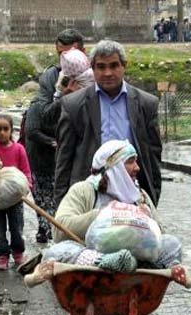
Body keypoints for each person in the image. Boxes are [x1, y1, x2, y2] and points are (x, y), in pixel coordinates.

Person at [53, 140, 186, 315]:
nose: (137, 168)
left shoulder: (139, 196)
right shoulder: (84, 190)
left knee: (172, 244)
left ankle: (116, 306)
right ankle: (110, 265)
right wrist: (104, 214)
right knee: (59, 250)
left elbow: (161, 236)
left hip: (132, 275)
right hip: (92, 272)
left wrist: (146, 218)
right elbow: (59, 229)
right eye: (131, 162)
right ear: (113, 167)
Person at [54, 40, 161, 207]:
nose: (108, 73)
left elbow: (153, 156)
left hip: (131, 195)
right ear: (92, 68)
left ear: (124, 66)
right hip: (90, 196)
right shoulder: (73, 105)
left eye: (114, 65)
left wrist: (152, 196)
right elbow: (64, 159)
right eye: (101, 67)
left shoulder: (146, 104)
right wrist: (62, 205)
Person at [26, 29, 84, 243]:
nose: (64, 59)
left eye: (67, 53)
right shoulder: (51, 77)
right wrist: (65, 97)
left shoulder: (91, 74)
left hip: (77, 151)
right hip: (47, 155)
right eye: (59, 53)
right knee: (50, 197)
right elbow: (43, 117)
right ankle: (49, 231)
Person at [0, 114, 32, 270]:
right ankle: (2, 255)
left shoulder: (18, 149)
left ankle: (18, 253)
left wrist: (28, 186)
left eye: (5, 129)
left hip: (16, 198)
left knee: (17, 226)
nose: (2, 132)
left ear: (11, 131)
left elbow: (26, 171)